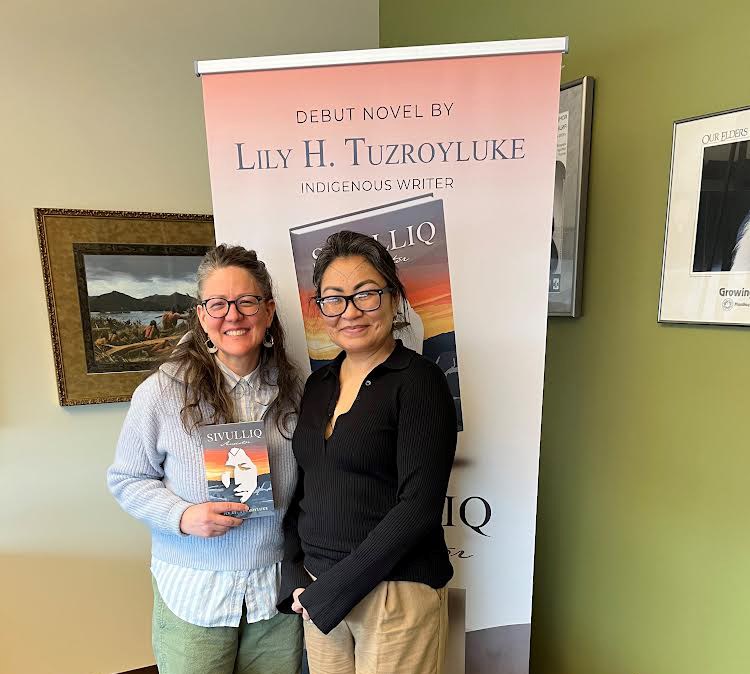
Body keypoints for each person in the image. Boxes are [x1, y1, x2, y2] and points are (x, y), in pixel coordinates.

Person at [108, 245, 303, 674]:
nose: (233, 315)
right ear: (201, 316)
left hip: (273, 594)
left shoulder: (296, 390)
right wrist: (183, 515)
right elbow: (127, 479)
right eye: (218, 304)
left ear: (268, 311)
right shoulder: (161, 393)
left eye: (247, 301)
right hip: (195, 593)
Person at [278, 231, 457, 674]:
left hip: (394, 593)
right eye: (334, 299)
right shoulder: (318, 387)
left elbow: (418, 509)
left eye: (366, 295)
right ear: (320, 309)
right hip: (319, 592)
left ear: (394, 299)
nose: (350, 312)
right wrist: (296, 574)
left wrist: (333, 590)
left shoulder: (419, 381)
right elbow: (306, 488)